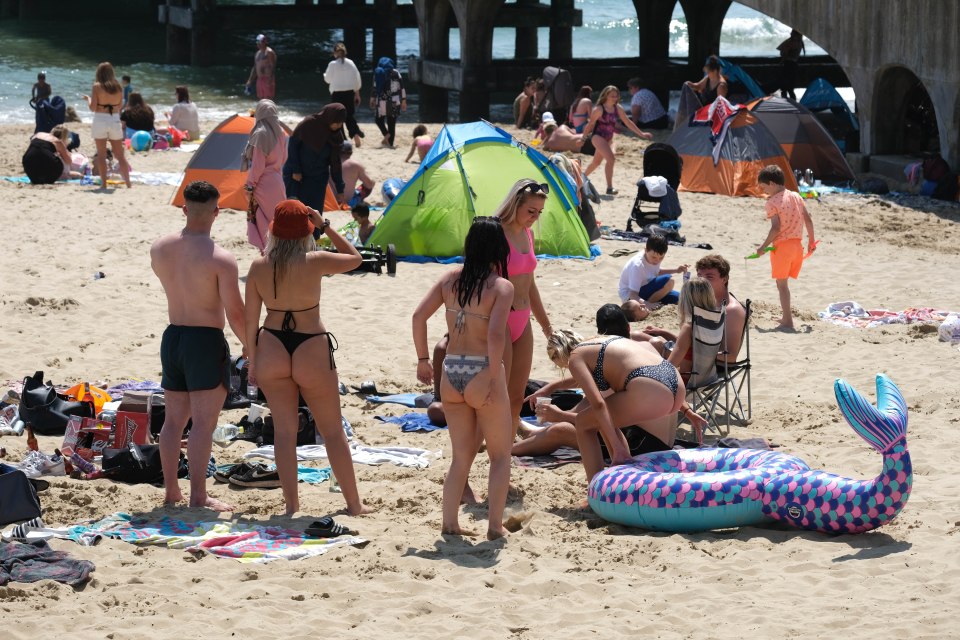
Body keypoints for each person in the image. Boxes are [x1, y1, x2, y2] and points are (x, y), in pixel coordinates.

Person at [244, 199, 372, 516]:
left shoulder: (259, 266)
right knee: (331, 432)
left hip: (272, 343)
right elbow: (356, 258)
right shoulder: (314, 260)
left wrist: (252, 361)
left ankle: (291, 506)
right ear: (306, 230)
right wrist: (325, 224)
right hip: (310, 346)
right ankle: (354, 505)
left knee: (284, 433)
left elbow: (250, 322)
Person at [412, 217, 514, 539]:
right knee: (500, 456)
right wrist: (492, 377)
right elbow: (496, 335)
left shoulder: (449, 280)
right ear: (499, 248)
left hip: (452, 369)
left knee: (461, 457)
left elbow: (418, 317)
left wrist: (423, 359)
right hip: (482, 368)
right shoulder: (501, 287)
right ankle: (495, 528)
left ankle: (450, 524)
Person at [150, 180, 246, 511]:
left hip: (173, 335)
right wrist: (251, 346)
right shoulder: (221, 258)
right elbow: (235, 312)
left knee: (173, 421)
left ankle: (172, 491)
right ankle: (198, 496)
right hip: (204, 340)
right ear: (217, 212)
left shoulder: (160, 248)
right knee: (204, 424)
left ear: (184, 208)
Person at [513, 304, 683, 458]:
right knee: (574, 416)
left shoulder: (600, 366)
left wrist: (558, 415)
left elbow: (598, 413)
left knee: (561, 430)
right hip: (665, 438)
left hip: (644, 445)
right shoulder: (633, 351)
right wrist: (551, 388)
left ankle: (505, 452)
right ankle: (532, 434)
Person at [545, 329, 706, 483]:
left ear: (557, 354)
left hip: (651, 389)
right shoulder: (605, 343)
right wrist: (687, 411)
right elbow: (656, 376)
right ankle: (622, 469)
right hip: (675, 385)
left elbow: (599, 404)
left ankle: (595, 490)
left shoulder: (575, 357)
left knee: (583, 423)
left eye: (558, 364)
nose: (564, 368)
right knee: (601, 420)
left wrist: (617, 447)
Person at [496, 179, 554, 435]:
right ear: (515, 203)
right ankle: (495, 436)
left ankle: (509, 435)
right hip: (499, 319)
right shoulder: (495, 233)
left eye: (539, 213)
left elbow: (530, 285)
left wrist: (547, 327)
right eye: (531, 211)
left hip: (523, 318)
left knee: (517, 390)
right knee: (498, 388)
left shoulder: (527, 235)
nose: (535, 217)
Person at [643, 254, 746, 364]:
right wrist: (663, 332)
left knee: (654, 343)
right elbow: (693, 342)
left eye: (709, 277)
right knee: (639, 336)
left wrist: (687, 352)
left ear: (724, 279)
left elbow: (730, 357)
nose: (702, 281)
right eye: (699, 276)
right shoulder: (704, 302)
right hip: (695, 358)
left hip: (709, 368)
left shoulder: (731, 310)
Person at [756, 164, 816, 330]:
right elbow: (808, 220)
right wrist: (811, 241)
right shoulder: (796, 196)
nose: (764, 191)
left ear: (772, 184)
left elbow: (775, 228)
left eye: (764, 187)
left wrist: (762, 247)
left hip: (782, 248)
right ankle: (785, 317)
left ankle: (787, 321)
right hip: (797, 246)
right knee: (782, 284)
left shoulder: (771, 203)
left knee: (782, 286)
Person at [581, 85, 653, 196]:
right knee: (611, 159)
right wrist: (583, 138)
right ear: (606, 96)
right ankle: (609, 188)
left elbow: (628, 122)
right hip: (598, 137)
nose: (615, 98)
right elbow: (590, 124)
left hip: (609, 138)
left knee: (596, 162)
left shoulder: (617, 108)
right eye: (612, 96)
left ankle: (580, 179)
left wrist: (641, 134)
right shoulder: (599, 109)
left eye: (616, 95)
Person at [283, 103, 347, 217]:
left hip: (318, 179)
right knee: (295, 213)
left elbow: (336, 164)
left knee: (315, 214)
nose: (338, 126)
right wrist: (296, 170)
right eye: (336, 122)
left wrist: (340, 189)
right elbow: (293, 145)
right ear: (329, 117)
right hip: (297, 177)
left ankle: (314, 235)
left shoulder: (336, 137)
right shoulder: (308, 124)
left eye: (341, 123)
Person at [242, 99, 288, 253]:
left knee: (262, 220)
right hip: (277, 180)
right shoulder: (280, 132)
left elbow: (257, 166)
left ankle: (267, 257)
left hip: (263, 183)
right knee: (278, 221)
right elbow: (284, 158)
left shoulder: (260, 133)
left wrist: (249, 185)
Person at [82, 61, 131, 189]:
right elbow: (120, 106)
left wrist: (88, 100)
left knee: (102, 155)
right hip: (114, 119)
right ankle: (129, 184)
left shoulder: (97, 86)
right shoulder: (119, 87)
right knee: (120, 155)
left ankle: (104, 184)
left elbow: (93, 108)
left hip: (100, 120)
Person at [618, 234, 688, 320]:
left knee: (681, 299)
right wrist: (648, 304)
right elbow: (633, 294)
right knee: (670, 281)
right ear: (645, 250)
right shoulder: (638, 265)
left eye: (661, 258)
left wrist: (676, 270)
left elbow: (655, 272)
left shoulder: (652, 256)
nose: (657, 261)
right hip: (631, 298)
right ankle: (650, 306)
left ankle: (653, 303)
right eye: (654, 257)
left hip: (647, 289)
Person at [665, 277, 719, 381]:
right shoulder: (716, 323)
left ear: (685, 301)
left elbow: (670, 366)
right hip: (709, 378)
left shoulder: (689, 328)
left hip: (686, 381)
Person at [324, 42, 364, 148]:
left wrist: (324, 75)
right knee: (349, 116)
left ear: (335, 53)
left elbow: (327, 80)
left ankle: (342, 140)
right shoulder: (351, 63)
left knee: (338, 118)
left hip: (337, 94)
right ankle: (355, 135)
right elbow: (357, 80)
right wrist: (357, 94)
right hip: (349, 93)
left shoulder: (332, 64)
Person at [370, 57, 406, 147]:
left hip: (382, 100)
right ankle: (390, 143)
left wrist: (372, 98)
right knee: (391, 123)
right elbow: (402, 87)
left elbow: (375, 87)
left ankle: (386, 134)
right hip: (395, 101)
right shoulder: (396, 72)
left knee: (378, 120)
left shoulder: (378, 72)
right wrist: (404, 100)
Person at [339, 141, 375, 207]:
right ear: (351, 153)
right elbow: (369, 184)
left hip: (331, 202)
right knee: (371, 182)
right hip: (349, 203)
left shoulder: (329, 163)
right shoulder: (355, 165)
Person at [245, 34, 277, 100]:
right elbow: (255, 68)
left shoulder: (269, 52)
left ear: (265, 42)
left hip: (267, 78)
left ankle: (269, 110)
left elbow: (273, 66)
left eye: (260, 42)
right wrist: (250, 80)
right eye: (257, 42)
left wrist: (270, 80)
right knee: (261, 98)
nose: (258, 44)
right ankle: (262, 110)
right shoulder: (257, 54)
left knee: (268, 99)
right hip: (260, 79)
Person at [777, 30, 805, 101]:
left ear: (795, 34)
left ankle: (786, 102)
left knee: (785, 86)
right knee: (790, 87)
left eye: (792, 32)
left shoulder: (794, 42)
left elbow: (785, 53)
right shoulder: (799, 42)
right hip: (793, 64)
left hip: (788, 64)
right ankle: (794, 104)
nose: (790, 33)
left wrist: (781, 61)